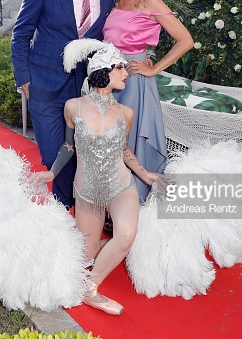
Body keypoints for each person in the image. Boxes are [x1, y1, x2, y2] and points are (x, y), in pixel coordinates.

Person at [34, 39, 163, 315]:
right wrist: (51, 171)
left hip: (120, 185)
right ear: (104, 72)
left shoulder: (126, 112)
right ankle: (100, 252)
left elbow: (124, 149)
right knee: (86, 256)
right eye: (120, 68)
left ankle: (90, 289)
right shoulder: (73, 107)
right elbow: (69, 147)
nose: (126, 73)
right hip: (87, 192)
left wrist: (143, 173)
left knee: (126, 234)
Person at [11, 0, 116, 210]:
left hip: (84, 90)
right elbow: (20, 34)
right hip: (43, 86)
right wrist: (24, 78)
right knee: (54, 154)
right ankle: (64, 213)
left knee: (81, 153)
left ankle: (70, 215)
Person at [102, 0, 194, 202]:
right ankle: (113, 201)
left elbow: (185, 40)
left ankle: (134, 201)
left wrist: (153, 68)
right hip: (109, 80)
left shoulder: (150, 0)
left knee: (129, 140)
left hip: (133, 82)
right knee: (110, 139)